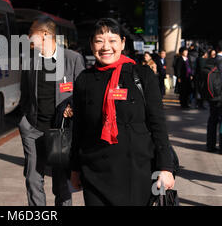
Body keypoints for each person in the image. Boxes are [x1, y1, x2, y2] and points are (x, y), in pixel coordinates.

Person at [70, 18, 175, 206]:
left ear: (123, 43)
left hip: (137, 171)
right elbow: (78, 129)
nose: (106, 47)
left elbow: (158, 124)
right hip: (95, 172)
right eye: (99, 40)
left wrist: (165, 167)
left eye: (112, 40)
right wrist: (75, 168)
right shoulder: (84, 80)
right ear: (92, 44)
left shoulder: (142, 75)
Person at [18, 16, 85, 206]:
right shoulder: (30, 61)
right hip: (33, 129)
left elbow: (83, 92)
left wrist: (73, 106)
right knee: (33, 178)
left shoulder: (72, 59)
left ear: (45, 34)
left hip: (60, 131)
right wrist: (23, 120)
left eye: (31, 33)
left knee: (62, 182)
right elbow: (25, 94)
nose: (28, 37)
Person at [206, 41, 222, 154]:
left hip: (213, 96)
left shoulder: (211, 60)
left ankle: (210, 145)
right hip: (221, 97)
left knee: (212, 120)